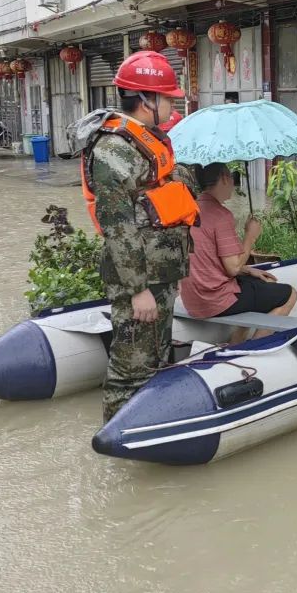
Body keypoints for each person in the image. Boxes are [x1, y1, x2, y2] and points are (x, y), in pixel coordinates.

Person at [79, 50, 200, 421]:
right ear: (147, 100)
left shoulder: (146, 140)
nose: (170, 105)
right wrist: (138, 289)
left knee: (154, 358)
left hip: (159, 272)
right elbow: (119, 226)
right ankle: (118, 446)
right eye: (167, 98)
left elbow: (164, 192)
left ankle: (147, 426)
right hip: (140, 278)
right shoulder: (114, 149)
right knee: (130, 368)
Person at [180, 162, 297, 344]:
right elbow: (233, 268)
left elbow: (211, 262)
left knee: (259, 282)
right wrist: (250, 236)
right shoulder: (221, 215)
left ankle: (236, 342)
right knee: (289, 293)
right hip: (215, 301)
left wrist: (249, 270)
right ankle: (255, 346)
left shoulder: (188, 209)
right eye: (232, 179)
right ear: (225, 178)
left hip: (192, 300)